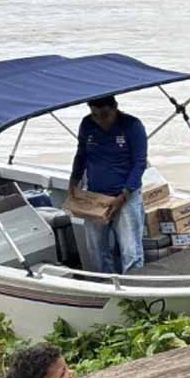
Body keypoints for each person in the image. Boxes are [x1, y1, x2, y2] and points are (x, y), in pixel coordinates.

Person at [69, 95, 147, 274]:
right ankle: (104, 285)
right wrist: (74, 182)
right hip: (96, 195)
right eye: (95, 115)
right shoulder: (87, 125)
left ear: (115, 108)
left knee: (131, 250)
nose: (99, 120)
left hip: (125, 196)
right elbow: (81, 155)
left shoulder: (132, 125)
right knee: (96, 249)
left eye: (104, 115)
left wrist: (124, 194)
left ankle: (135, 290)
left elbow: (140, 162)